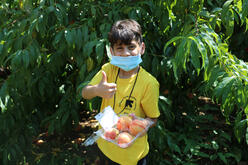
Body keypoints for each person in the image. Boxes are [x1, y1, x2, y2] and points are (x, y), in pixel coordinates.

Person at [82, 19, 160, 165]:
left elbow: (153, 118)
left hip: (133, 154)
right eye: (120, 48)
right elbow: (85, 93)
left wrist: (143, 125)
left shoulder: (149, 83)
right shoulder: (108, 71)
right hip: (106, 145)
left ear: (142, 48)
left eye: (131, 47)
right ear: (111, 51)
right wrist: (97, 90)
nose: (126, 54)